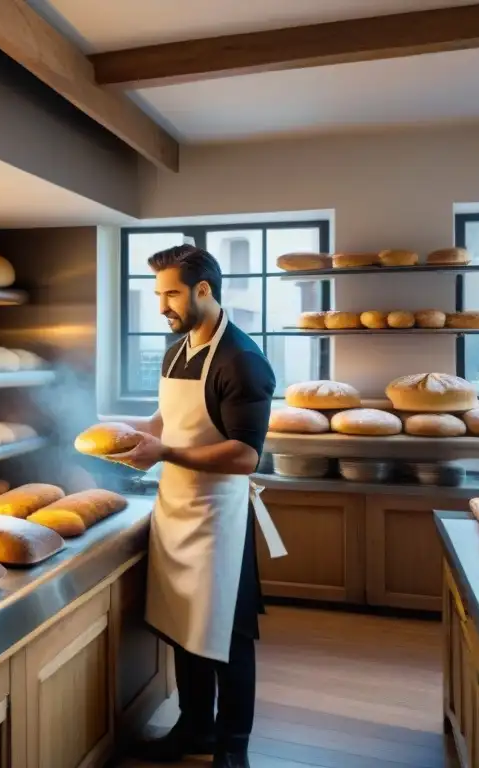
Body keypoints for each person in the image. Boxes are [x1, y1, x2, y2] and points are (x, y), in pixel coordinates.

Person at [110, 244, 286, 768]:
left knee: (228, 637)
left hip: (219, 518)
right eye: (158, 294)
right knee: (183, 625)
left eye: (170, 294)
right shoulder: (179, 347)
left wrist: (163, 452)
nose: (161, 306)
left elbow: (245, 454)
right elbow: (168, 418)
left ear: (203, 290)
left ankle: (233, 749)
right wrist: (125, 435)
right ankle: (193, 729)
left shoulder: (243, 360)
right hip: (177, 507)